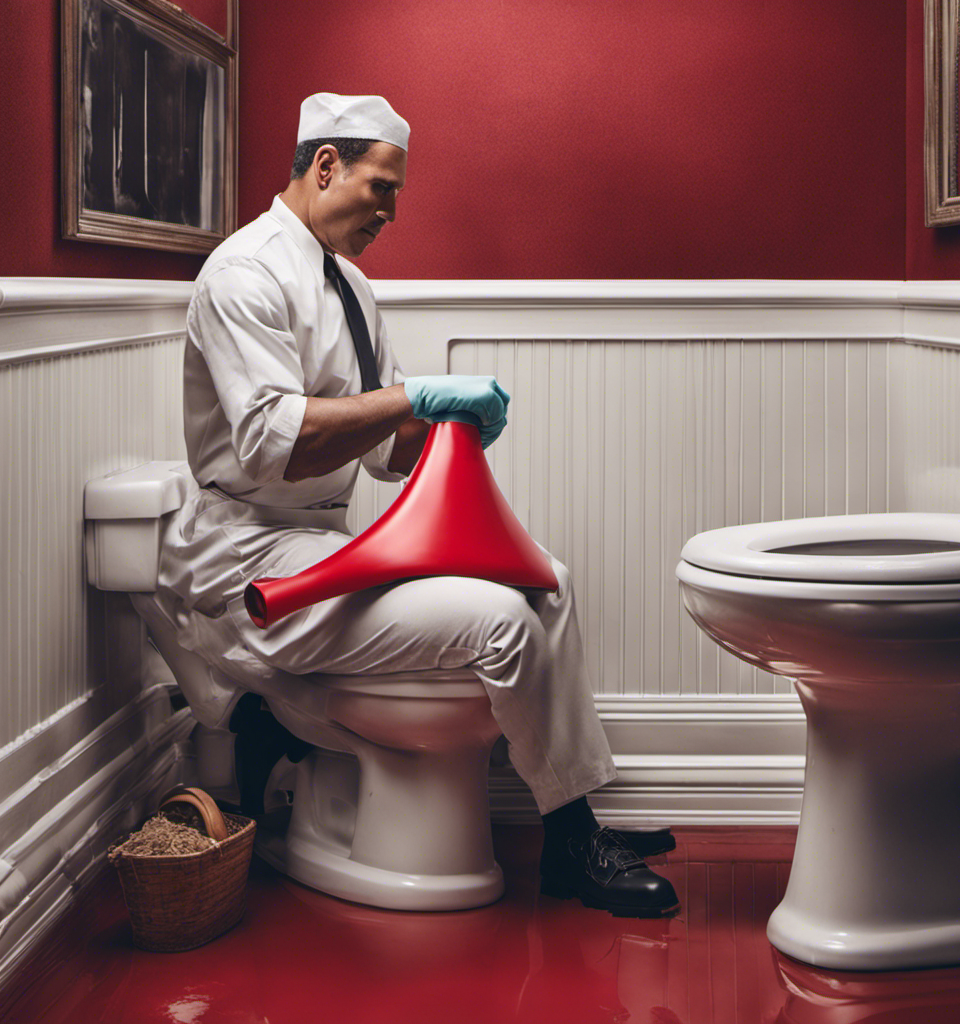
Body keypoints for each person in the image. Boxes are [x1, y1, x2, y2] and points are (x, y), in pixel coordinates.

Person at [153, 92, 679, 918]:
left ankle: (576, 814)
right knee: (499, 622)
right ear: (326, 165)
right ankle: (571, 840)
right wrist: (415, 396)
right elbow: (274, 443)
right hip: (246, 559)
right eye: (383, 187)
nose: (392, 211)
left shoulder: (354, 290)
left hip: (318, 543)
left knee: (549, 581)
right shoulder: (242, 274)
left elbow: (387, 456)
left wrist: (451, 429)